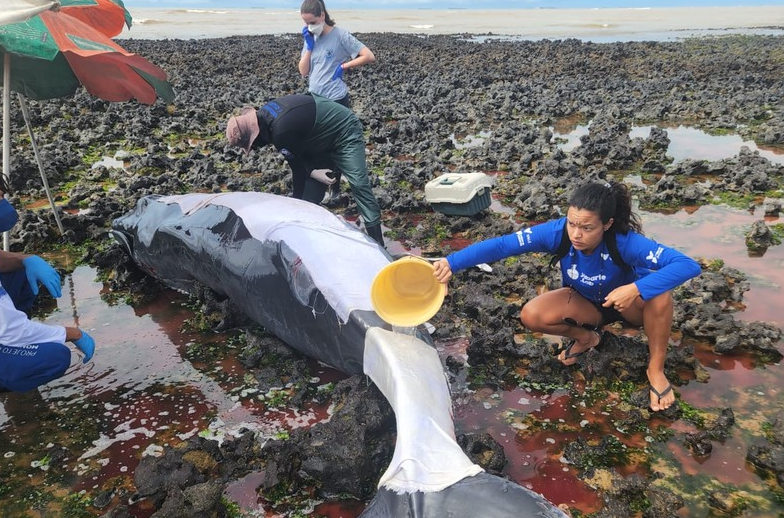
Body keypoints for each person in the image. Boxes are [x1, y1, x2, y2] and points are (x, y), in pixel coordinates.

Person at [432, 181, 701, 412]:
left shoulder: (625, 242)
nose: (576, 234)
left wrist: (636, 289)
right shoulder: (557, 233)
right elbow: (504, 245)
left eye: (586, 228)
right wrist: (453, 262)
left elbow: (687, 264)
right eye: (572, 223)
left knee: (660, 296)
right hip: (588, 304)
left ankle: (655, 369)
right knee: (531, 314)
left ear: (606, 224)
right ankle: (587, 338)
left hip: (629, 306)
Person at [0, 160, 95, 432]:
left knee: (21, 273)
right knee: (52, 357)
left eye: (2, 196)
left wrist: (28, 259)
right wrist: (73, 334)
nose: (2, 205)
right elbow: (11, 331)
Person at [225, 94, 385, 246]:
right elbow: (298, 163)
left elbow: (298, 168)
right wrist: (297, 203)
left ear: (256, 134)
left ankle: (378, 242)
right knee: (309, 199)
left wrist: (311, 173)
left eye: (253, 144)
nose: (255, 148)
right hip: (316, 139)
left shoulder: (280, 132)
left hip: (344, 130)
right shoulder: (267, 115)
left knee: (358, 183)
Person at [298, 0, 375, 109]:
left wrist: (344, 66)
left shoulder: (340, 35)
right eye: (306, 23)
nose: (310, 27)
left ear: (322, 15)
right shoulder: (310, 37)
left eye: (313, 22)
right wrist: (309, 47)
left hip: (335, 99)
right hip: (315, 97)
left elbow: (369, 56)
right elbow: (303, 71)